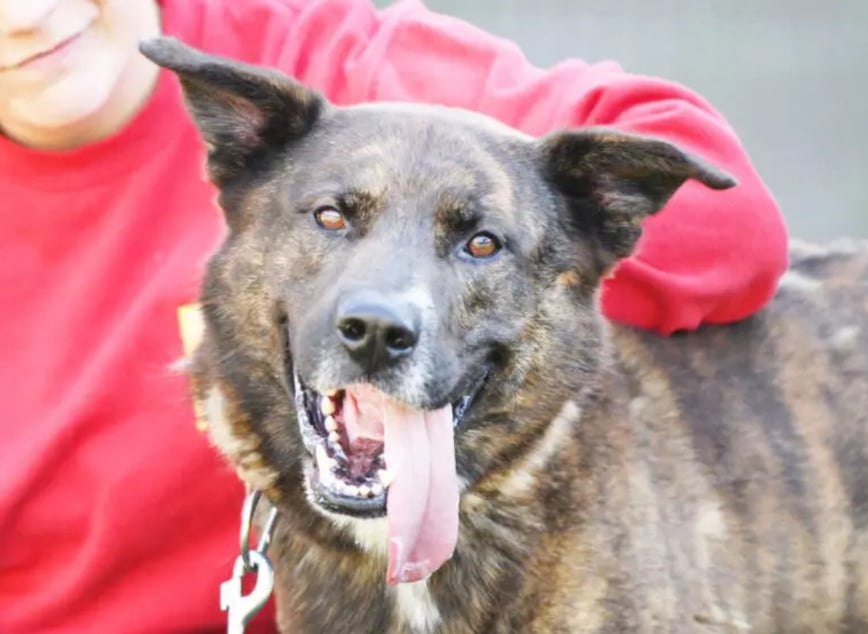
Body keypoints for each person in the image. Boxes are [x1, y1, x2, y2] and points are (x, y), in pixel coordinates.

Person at [0, 0, 788, 632]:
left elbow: (732, 232)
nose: (28, 14)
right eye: (336, 219)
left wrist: (514, 253)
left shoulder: (337, 61)